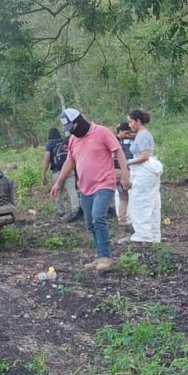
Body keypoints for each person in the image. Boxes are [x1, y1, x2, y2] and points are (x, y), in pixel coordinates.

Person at [50, 108, 131, 272]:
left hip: (104, 184)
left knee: (98, 217)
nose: (71, 132)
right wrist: (58, 183)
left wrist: (125, 174)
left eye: (72, 128)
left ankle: (105, 257)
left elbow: (118, 151)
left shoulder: (102, 132)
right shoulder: (73, 140)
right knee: (90, 224)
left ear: (79, 122)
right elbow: (69, 162)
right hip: (85, 187)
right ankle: (100, 255)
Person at [123, 109, 162, 244]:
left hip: (144, 171)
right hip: (143, 171)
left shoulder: (143, 135)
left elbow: (145, 156)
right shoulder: (140, 135)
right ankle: (152, 234)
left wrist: (128, 162)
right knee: (150, 201)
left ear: (138, 121)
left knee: (141, 202)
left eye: (131, 122)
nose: (129, 125)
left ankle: (144, 234)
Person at [42, 127, 81, 221]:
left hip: (57, 171)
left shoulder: (50, 144)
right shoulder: (64, 141)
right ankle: (75, 210)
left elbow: (47, 159)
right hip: (69, 170)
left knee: (58, 192)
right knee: (72, 191)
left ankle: (61, 212)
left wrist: (43, 174)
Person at [113, 122, 135, 226]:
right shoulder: (117, 142)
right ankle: (127, 218)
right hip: (120, 172)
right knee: (130, 194)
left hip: (114, 172)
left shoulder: (115, 140)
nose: (127, 135)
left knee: (123, 196)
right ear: (121, 131)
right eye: (126, 133)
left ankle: (122, 219)